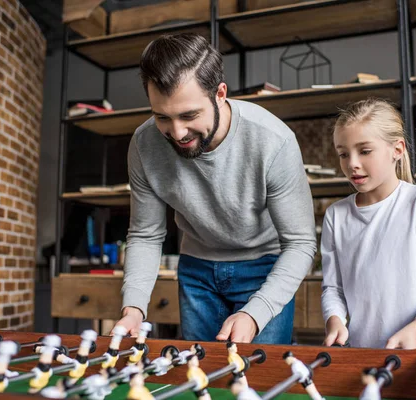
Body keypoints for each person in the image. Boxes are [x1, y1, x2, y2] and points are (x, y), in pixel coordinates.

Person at [111, 32, 316, 344]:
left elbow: (301, 243)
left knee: (259, 385)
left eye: (189, 115)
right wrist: (134, 308)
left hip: (264, 269)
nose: (177, 132)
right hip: (196, 270)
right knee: (203, 382)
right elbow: (145, 235)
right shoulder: (144, 145)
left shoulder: (274, 140)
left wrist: (256, 312)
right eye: (162, 117)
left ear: (220, 93)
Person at [320, 98, 416, 349]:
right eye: (343, 154)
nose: (352, 163)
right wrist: (335, 319)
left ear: (397, 149)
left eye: (364, 151)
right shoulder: (336, 215)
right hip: (364, 352)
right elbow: (333, 288)